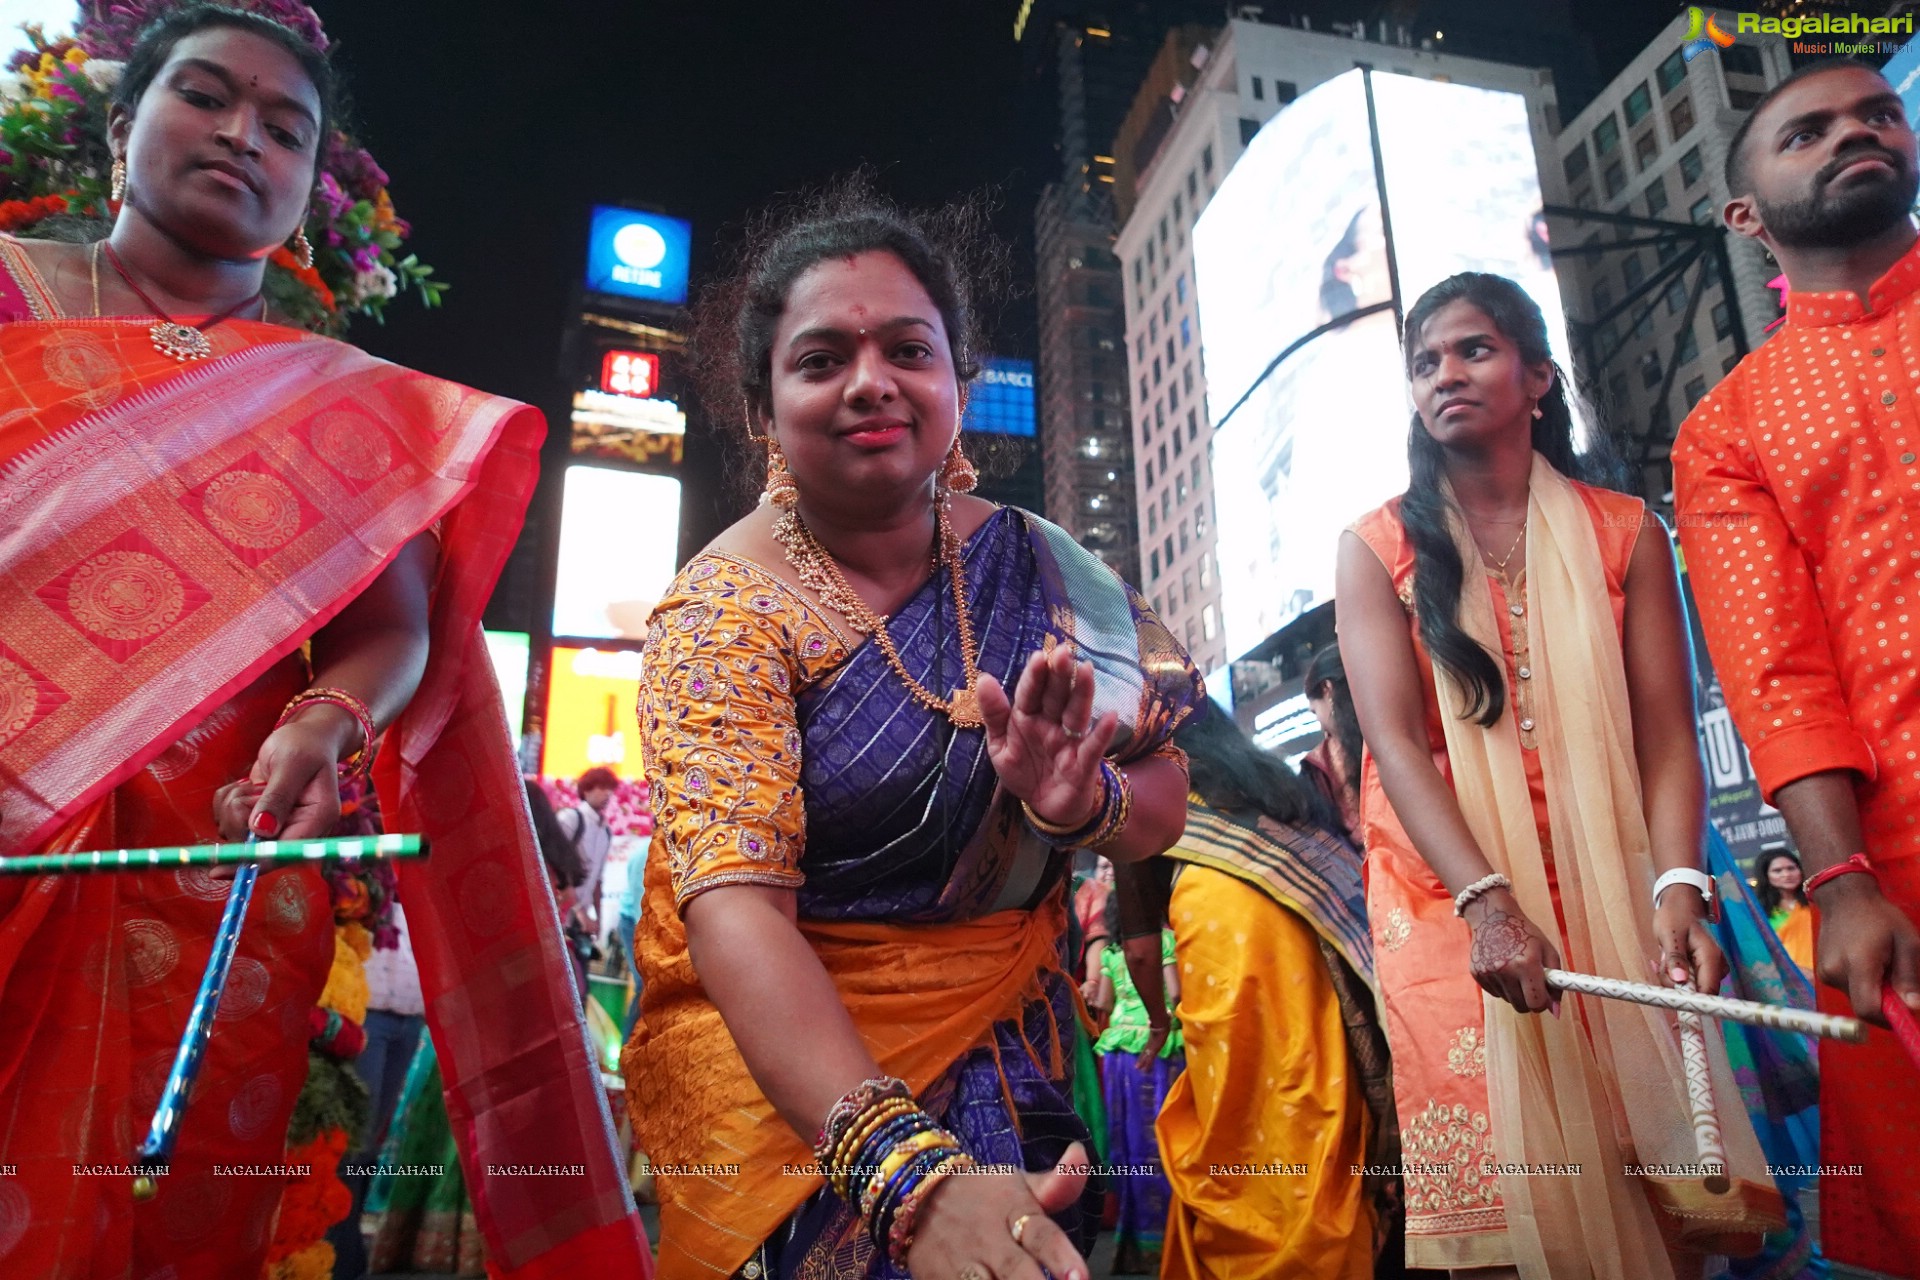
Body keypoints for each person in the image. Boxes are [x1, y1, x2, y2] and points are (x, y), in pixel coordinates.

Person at [0, 8, 646, 1277]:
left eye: (286, 128)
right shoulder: (12, 296)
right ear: (122, 127)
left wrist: (326, 718)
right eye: (207, 98)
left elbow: (391, 624)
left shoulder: (339, 396)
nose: (244, 135)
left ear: (304, 194)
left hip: (228, 869)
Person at [620, 180, 1205, 1279]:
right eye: (821, 358)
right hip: (810, 1110)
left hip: (1025, 1067)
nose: (871, 382)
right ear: (762, 406)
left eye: (907, 349)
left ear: (956, 381)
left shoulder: (1044, 568)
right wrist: (908, 1181)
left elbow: (1167, 788)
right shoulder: (722, 611)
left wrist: (1085, 804)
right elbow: (736, 912)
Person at [1336, 271, 1783, 1277]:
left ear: (1539, 376)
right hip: (1449, 900)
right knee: (1504, 1209)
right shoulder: (1377, 548)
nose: (1445, 373)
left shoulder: (1627, 529)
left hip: (1616, 892)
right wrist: (1488, 901)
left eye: (1474, 349)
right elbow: (1397, 745)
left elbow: (1666, 734)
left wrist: (1678, 890)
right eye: (1425, 362)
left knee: (1659, 1187)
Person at [1671, 59, 1920, 1274]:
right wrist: (1845, 878)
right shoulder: (1728, 426)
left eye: (1876, 113)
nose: (1853, 135)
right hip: (1901, 854)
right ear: (1746, 211)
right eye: (1805, 131)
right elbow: (1776, 671)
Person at [1120, 706, 1390, 1280]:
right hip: (1307, 971)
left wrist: (1159, 1021)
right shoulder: (1272, 786)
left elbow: (1142, 949)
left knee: (1237, 1122)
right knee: (1310, 1094)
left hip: (1218, 939)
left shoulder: (1137, 795)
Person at [1090, 891, 1181, 1276]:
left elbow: (1104, 1006)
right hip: (1157, 1048)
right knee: (1165, 1142)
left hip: (1119, 1055)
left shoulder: (1111, 954)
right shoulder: (1165, 942)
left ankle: (1133, 1242)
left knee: (1128, 1143)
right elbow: (1174, 993)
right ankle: (1168, 1241)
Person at [1302, 643, 1364, 842]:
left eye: (1315, 712)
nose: (1321, 727)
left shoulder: (1320, 765)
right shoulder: (1399, 721)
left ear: (1327, 689)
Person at [557, 765, 618, 938]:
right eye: (602, 788)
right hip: (556, 914)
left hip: (578, 924)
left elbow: (597, 881)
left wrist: (598, 919)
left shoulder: (605, 832)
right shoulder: (570, 819)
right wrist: (579, 912)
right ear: (586, 790)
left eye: (610, 789)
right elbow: (555, 869)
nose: (607, 794)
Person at [1755, 848, 1815, 975]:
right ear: (1766, 876)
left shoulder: (1816, 902)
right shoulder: (1760, 913)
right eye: (1777, 871)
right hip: (1788, 979)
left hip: (1824, 975)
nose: (1786, 875)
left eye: (1791, 868)